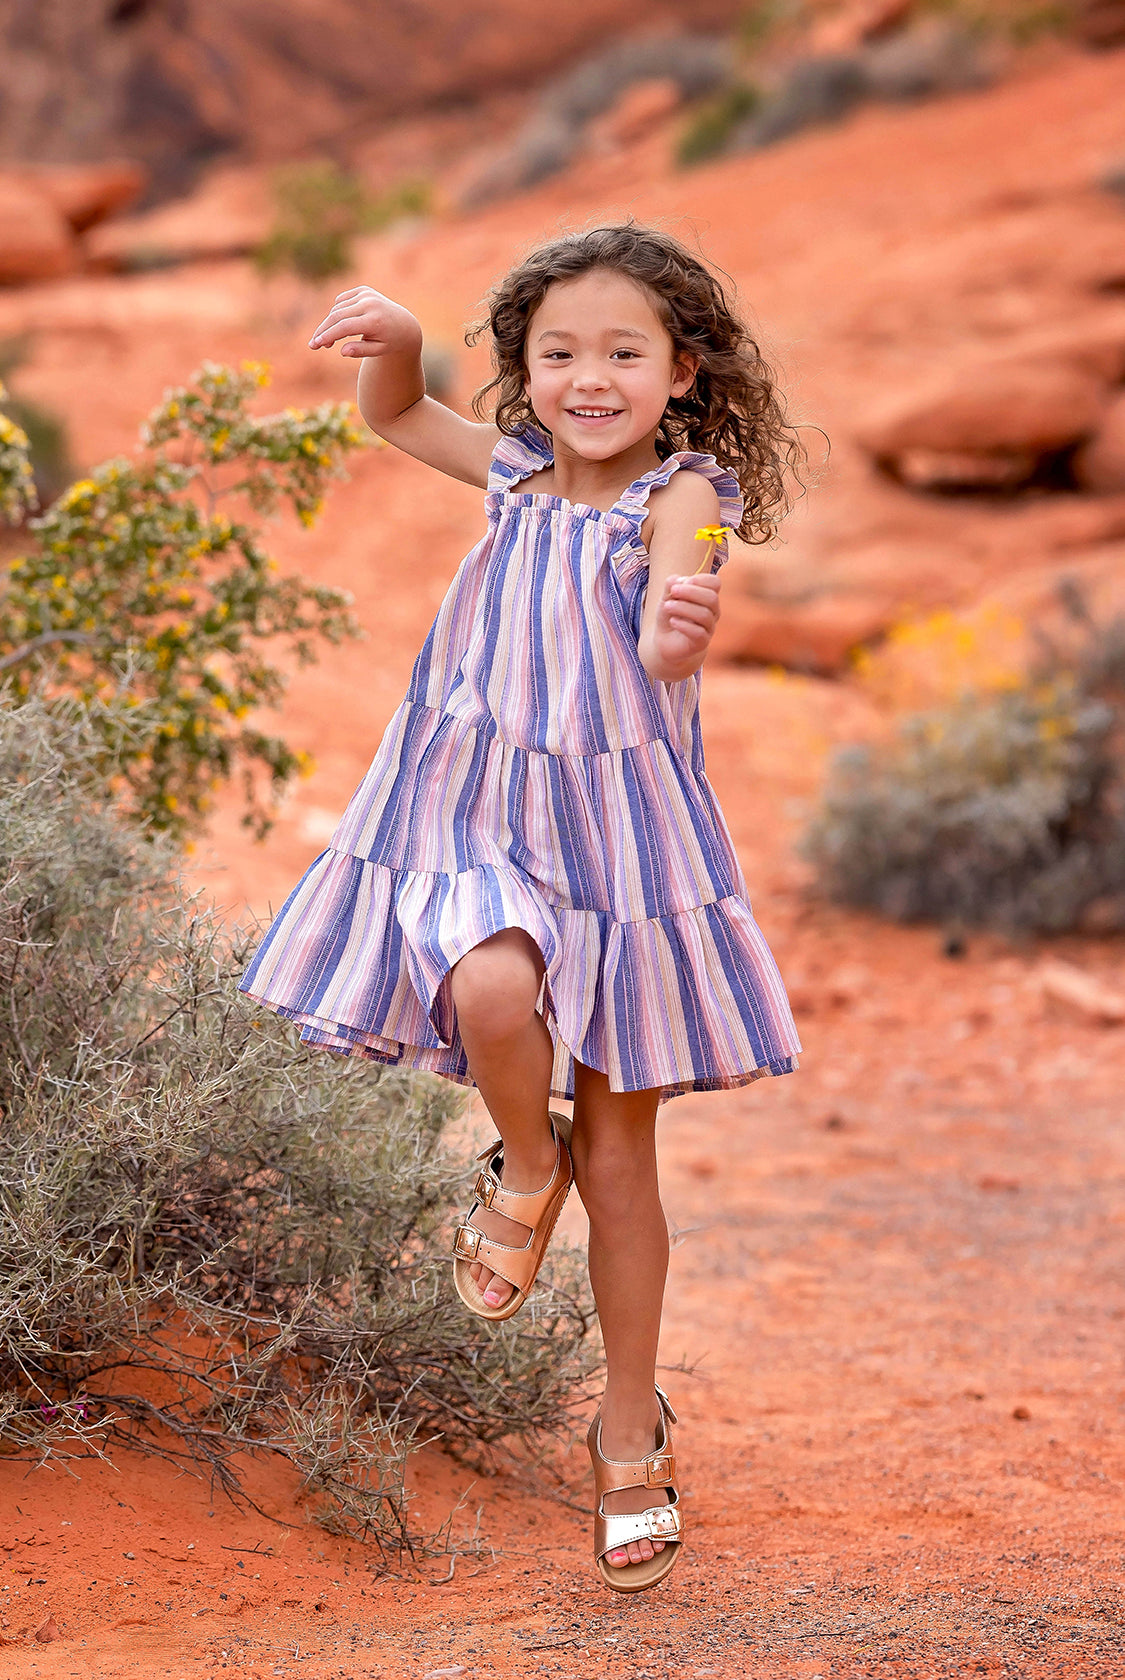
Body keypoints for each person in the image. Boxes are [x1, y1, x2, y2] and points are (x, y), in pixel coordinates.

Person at [240, 222, 802, 1593]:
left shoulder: (683, 490)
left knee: (628, 1162)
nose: (587, 378)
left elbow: (692, 572)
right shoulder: (507, 474)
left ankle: (627, 1431)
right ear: (524, 371)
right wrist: (393, 348)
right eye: (557, 353)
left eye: (623, 352)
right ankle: (521, 1162)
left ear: (682, 371)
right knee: (489, 988)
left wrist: (682, 619)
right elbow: (395, 417)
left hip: (622, 849)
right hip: (477, 811)